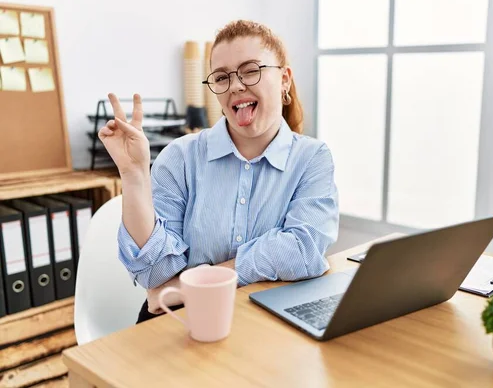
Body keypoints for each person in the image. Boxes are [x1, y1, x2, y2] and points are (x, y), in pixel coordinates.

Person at [98, 20, 339, 324]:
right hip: (178, 316)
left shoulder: (312, 158)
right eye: (222, 77)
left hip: (263, 318)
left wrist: (197, 282)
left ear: (284, 80)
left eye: (251, 70)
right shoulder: (180, 157)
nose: (236, 85)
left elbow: (303, 250)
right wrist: (133, 175)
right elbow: (155, 275)